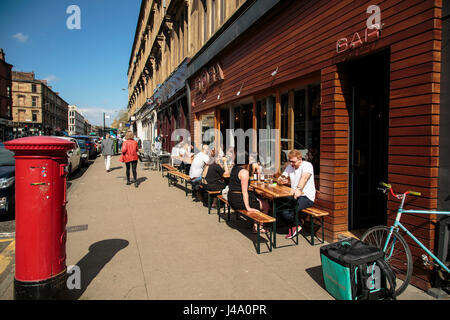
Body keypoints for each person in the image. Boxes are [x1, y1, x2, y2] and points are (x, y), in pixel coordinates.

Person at [277, 149, 316, 239]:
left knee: (287, 210)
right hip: (293, 196)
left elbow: (305, 177)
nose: (291, 164)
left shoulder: (307, 165)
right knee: (276, 204)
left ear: (300, 159)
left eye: (293, 162)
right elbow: (281, 177)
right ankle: (297, 224)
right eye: (290, 161)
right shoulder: (290, 167)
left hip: (306, 197)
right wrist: (281, 180)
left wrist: (298, 189)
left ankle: (296, 225)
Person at [227, 156, 270, 233]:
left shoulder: (234, 169)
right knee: (266, 205)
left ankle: (256, 225)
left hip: (231, 197)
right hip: (238, 200)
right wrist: (248, 207)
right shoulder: (244, 172)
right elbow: (244, 192)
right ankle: (258, 227)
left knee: (260, 199)